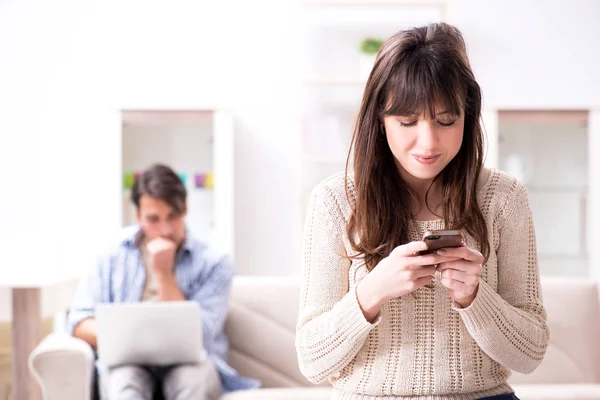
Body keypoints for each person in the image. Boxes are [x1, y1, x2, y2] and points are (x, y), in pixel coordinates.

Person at [295, 23, 549, 400]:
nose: (428, 142)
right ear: (379, 120)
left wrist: (474, 297)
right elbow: (312, 361)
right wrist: (371, 292)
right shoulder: (335, 200)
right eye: (407, 122)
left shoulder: (503, 198)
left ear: (468, 114)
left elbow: (530, 353)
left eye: (447, 121)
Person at [68, 163, 259, 400]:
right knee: (124, 383)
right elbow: (78, 321)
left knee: (189, 382)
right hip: (127, 363)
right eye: (153, 219)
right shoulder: (109, 255)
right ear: (137, 216)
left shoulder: (216, 262)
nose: (165, 230)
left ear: (185, 209)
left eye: (173, 216)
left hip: (192, 364)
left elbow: (202, 334)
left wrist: (164, 273)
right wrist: (125, 340)